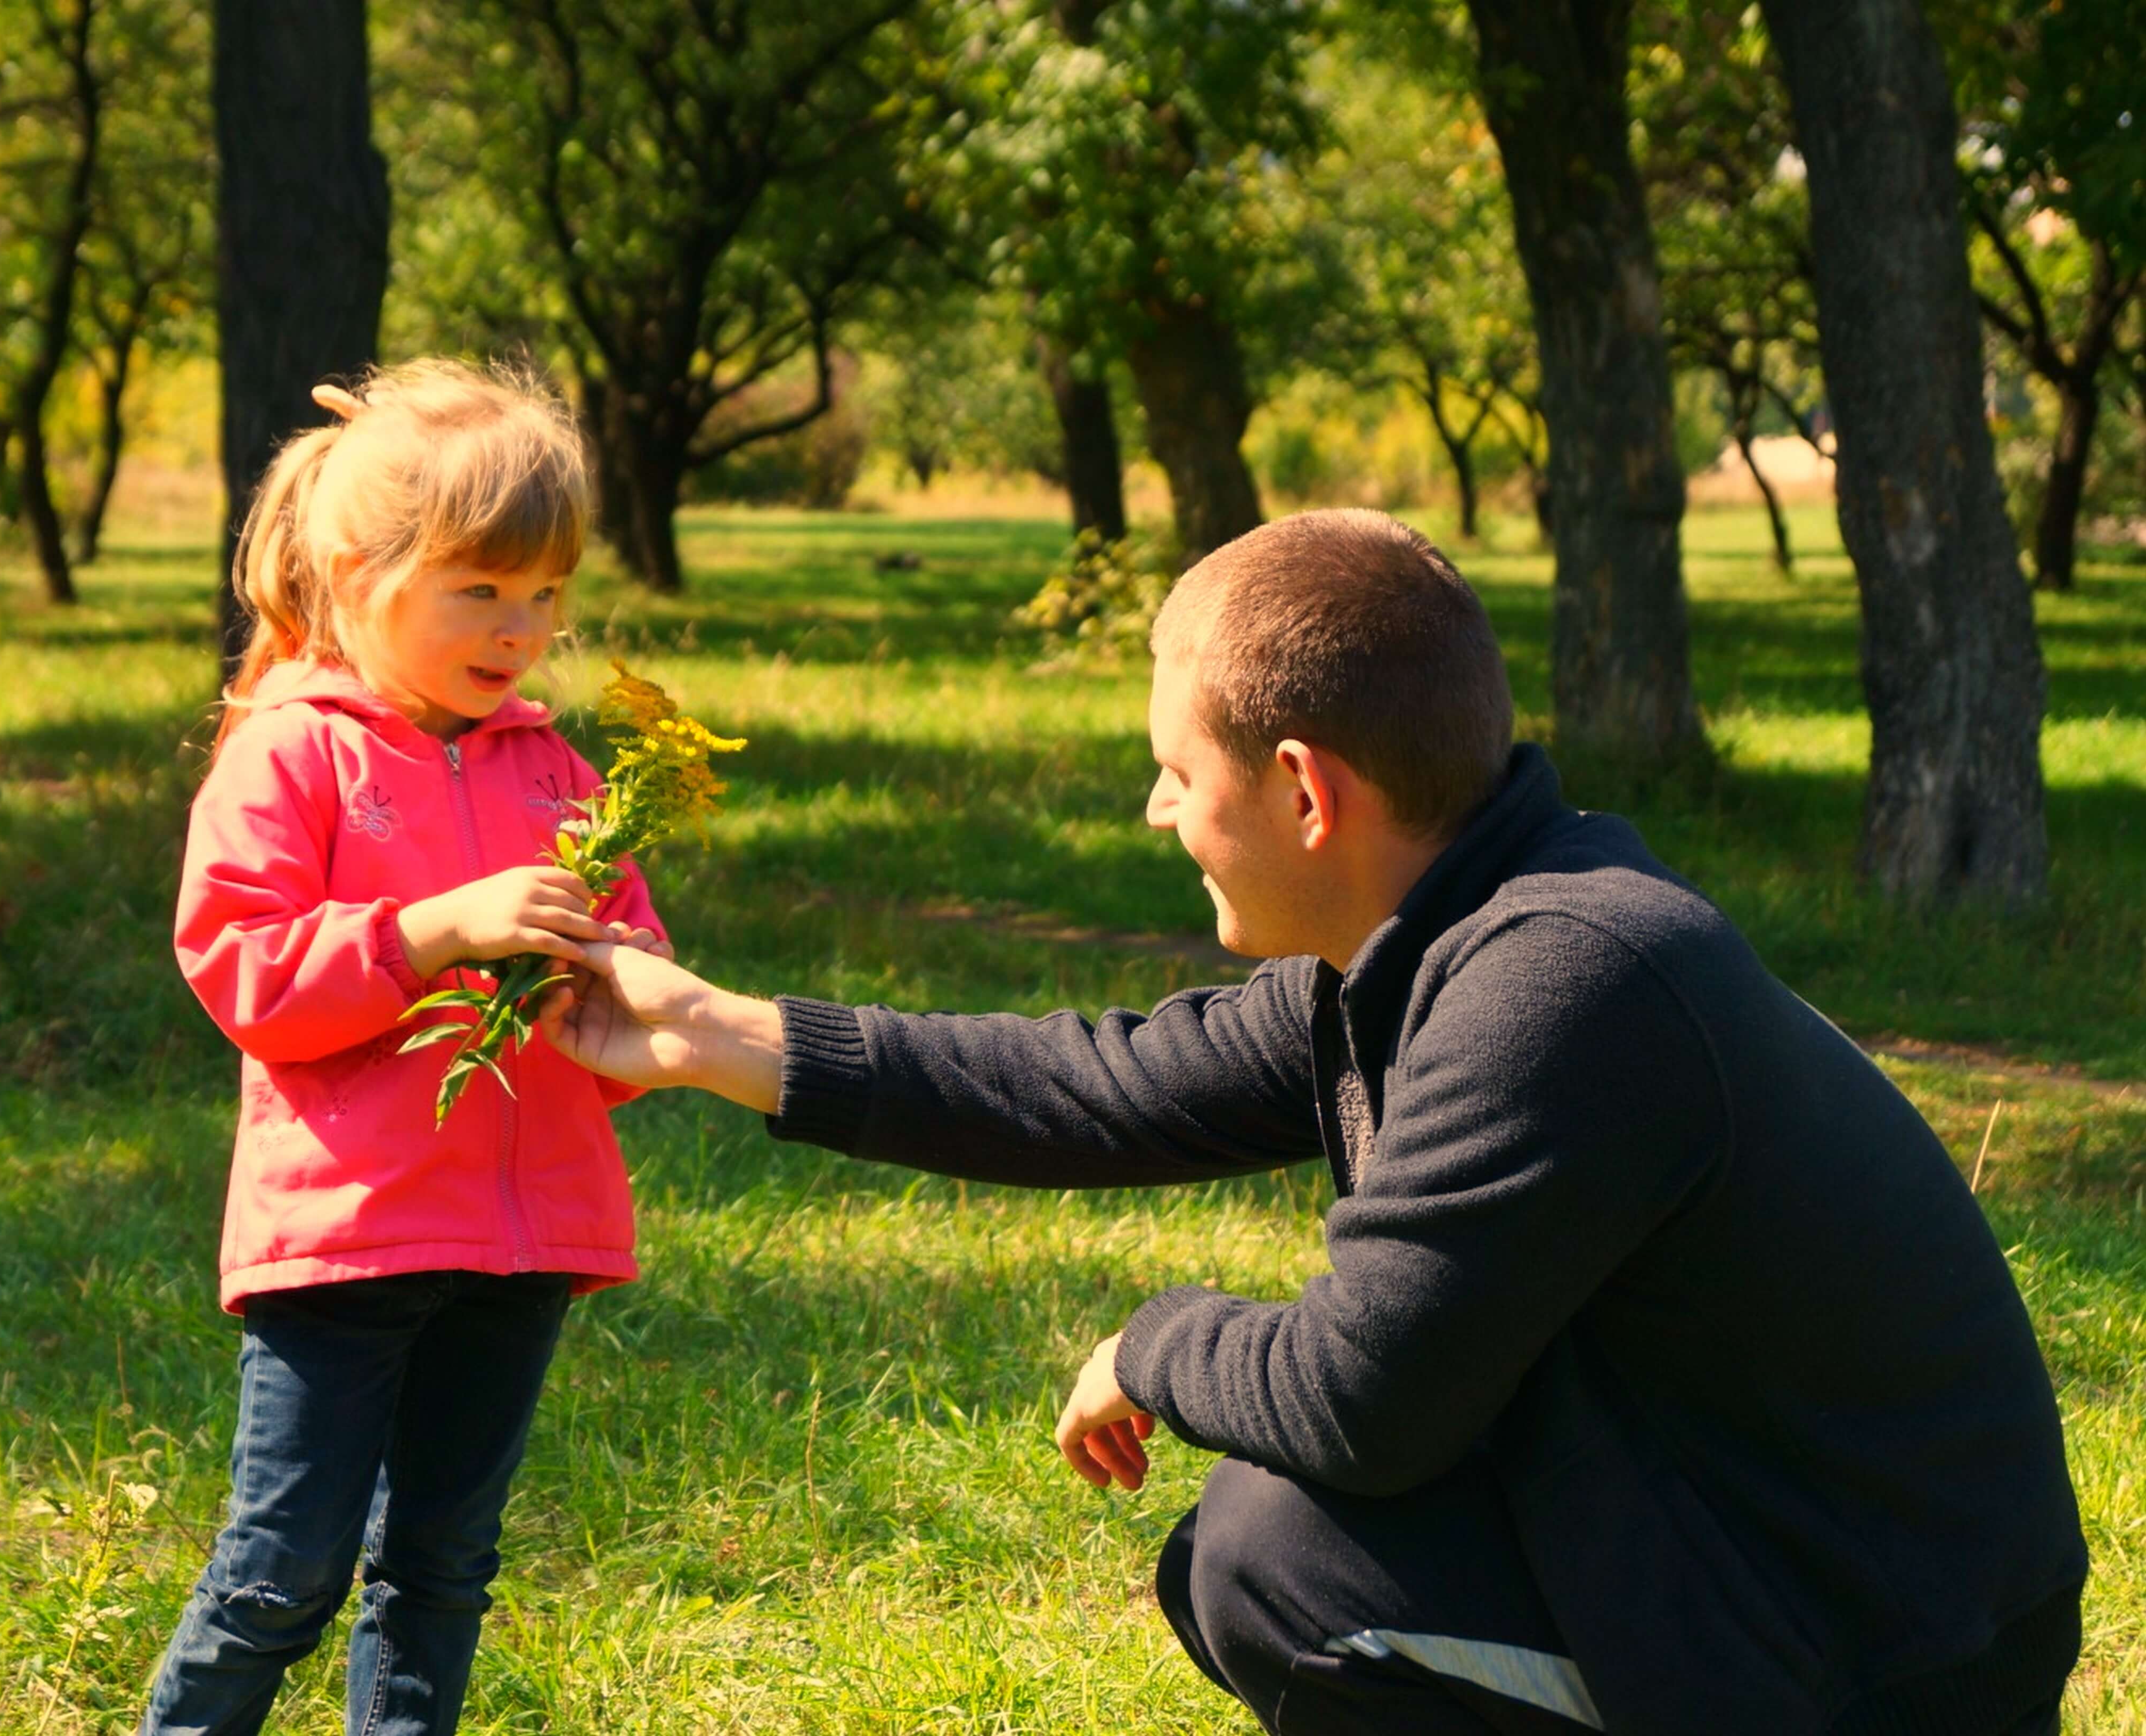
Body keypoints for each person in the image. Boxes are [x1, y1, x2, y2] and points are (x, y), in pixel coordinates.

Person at [538, 510, 2088, 1735]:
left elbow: (1365, 1398)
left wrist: (1152, 1338)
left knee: (1278, 1556)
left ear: (1301, 791)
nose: (1158, 813)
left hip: (1886, 1660)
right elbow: (1109, 1081)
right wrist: (704, 1033)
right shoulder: (1457, 926)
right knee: (1276, 1544)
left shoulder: (1562, 983)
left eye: (1172, 771)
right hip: (1756, 1542)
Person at [142, 360, 670, 1736]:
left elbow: (632, 975)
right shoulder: (288, 755)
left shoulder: (557, 772)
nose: (521, 628)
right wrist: (430, 929)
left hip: (521, 1239)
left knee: (441, 1567)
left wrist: (616, 1002)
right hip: (350, 1238)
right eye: (478, 590)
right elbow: (245, 972)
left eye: (545, 592)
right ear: (359, 571)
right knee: (284, 1573)